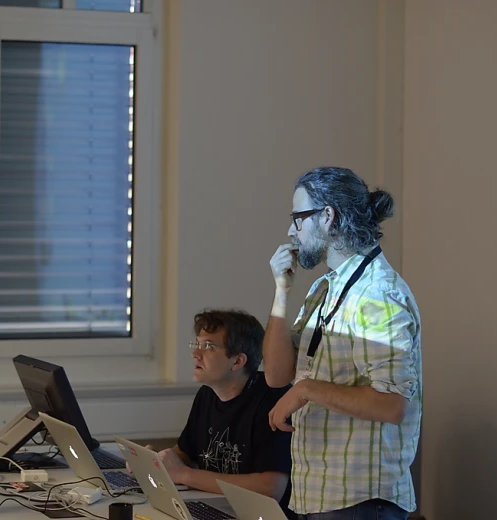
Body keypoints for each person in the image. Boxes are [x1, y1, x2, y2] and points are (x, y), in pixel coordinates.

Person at [263, 167, 422, 520]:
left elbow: (392, 405)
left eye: (298, 218)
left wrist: (306, 391)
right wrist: (281, 293)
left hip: (361, 501)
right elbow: (276, 376)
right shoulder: (324, 288)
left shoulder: (378, 295)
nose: (291, 230)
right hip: (317, 493)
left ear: (328, 216)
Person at [151, 309, 293, 514]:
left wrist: (185, 475)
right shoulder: (207, 395)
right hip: (218, 509)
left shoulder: (274, 399)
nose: (195, 353)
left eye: (208, 346)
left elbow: (270, 489)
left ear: (237, 361)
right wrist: (156, 462)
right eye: (197, 344)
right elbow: (184, 454)